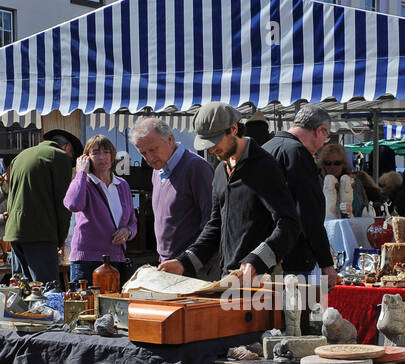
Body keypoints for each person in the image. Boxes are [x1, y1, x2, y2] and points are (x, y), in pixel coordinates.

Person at [158, 102, 300, 286]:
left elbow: (289, 223)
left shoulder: (265, 167)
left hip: (261, 281)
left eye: (214, 141)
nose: (211, 149)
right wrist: (184, 262)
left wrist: (256, 261)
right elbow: (215, 226)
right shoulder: (220, 171)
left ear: (233, 129)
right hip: (227, 278)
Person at [264, 105, 338, 295]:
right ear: (320, 130)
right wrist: (326, 263)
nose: (324, 143)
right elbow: (309, 213)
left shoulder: (266, 148)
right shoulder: (297, 153)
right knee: (298, 321)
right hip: (293, 258)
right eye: (325, 135)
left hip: (263, 255)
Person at [129, 116, 215, 277]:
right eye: (143, 153)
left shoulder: (196, 168)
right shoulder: (157, 171)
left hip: (195, 270)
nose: (149, 158)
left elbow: (212, 223)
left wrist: (190, 262)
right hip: (168, 267)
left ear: (170, 139)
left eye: (153, 150)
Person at [4, 128, 80, 284]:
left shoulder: (20, 156)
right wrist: (61, 240)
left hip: (15, 232)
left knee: (21, 291)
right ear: (67, 148)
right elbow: (63, 203)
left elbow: (11, 199)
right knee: (47, 292)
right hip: (41, 233)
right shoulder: (59, 157)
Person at [64, 134, 138, 285]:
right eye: (95, 152)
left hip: (116, 260)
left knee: (114, 306)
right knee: (86, 306)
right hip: (87, 260)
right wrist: (81, 173)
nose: (101, 157)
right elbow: (73, 204)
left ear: (112, 156)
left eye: (106, 152)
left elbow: (133, 222)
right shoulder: (84, 182)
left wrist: (128, 231)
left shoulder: (122, 185)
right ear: (86, 158)